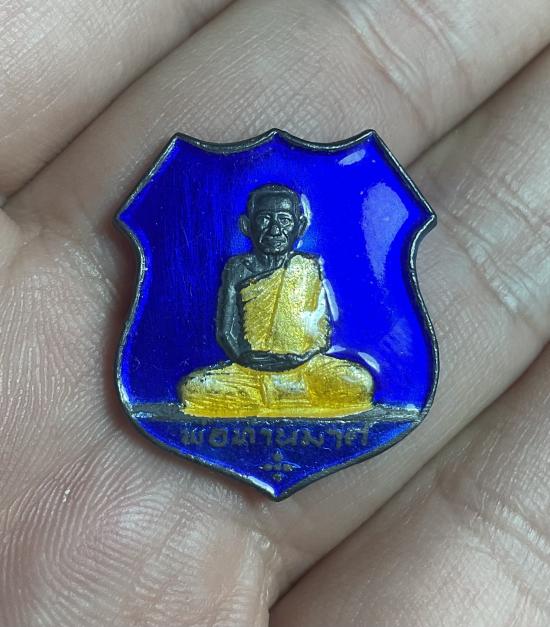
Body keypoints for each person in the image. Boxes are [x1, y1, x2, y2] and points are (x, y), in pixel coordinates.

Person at [178, 184, 373, 417]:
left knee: (359, 381)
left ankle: (267, 400)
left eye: (284, 220)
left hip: (305, 367)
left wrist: (302, 357)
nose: (274, 230)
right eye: (264, 219)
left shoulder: (307, 266)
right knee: (193, 387)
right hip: (249, 371)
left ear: (300, 226)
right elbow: (225, 331)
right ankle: (288, 400)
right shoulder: (237, 268)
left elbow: (322, 332)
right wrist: (245, 358)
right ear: (246, 226)